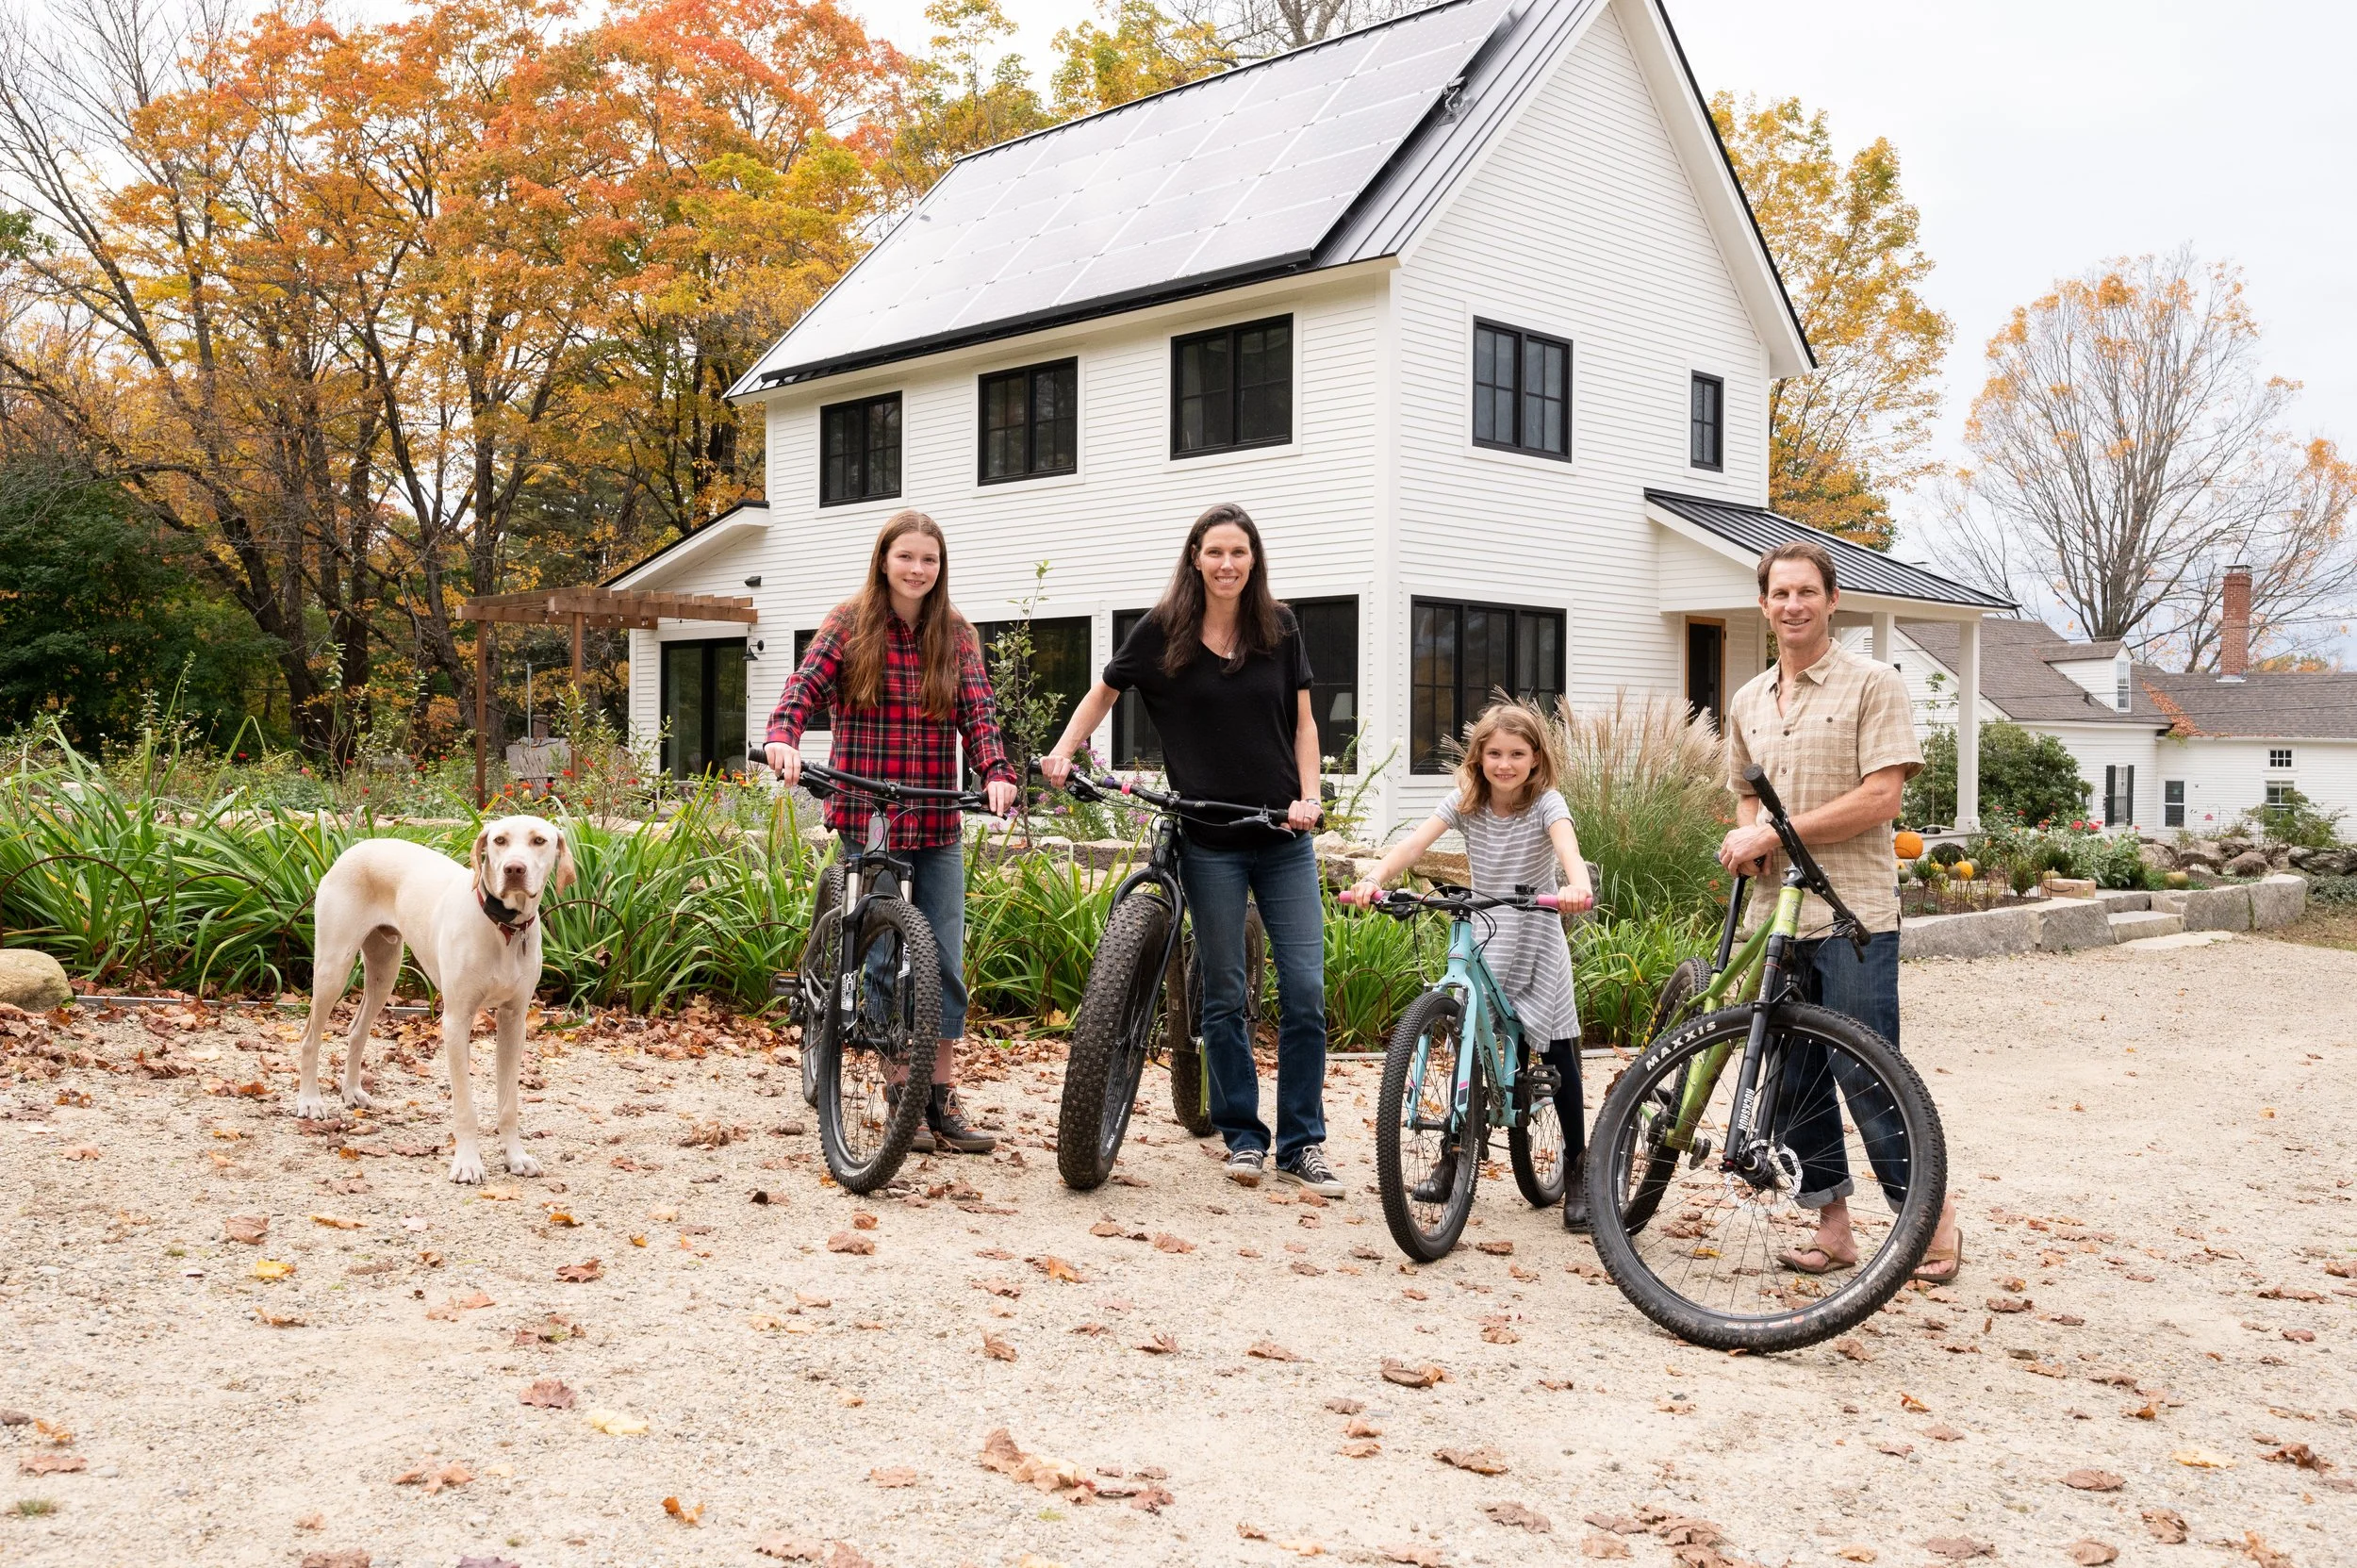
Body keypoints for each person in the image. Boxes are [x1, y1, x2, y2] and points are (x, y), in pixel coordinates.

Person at [1040, 503, 1338, 1196]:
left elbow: (1303, 724)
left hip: (1282, 835)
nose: (1227, 564)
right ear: (1195, 558)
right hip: (1209, 841)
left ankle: (1302, 1142)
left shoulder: (1281, 627)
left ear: (1253, 559)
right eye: (1215, 553)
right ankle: (1243, 1136)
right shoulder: (1163, 629)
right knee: (1224, 991)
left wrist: (1310, 795)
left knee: (1305, 990)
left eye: (1239, 552)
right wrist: (1063, 748)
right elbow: (1103, 691)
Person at [1717, 538, 1962, 1284]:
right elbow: (1746, 793)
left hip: (1853, 913)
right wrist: (1747, 833)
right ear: (1764, 605)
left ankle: (1932, 1221)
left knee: (1870, 1073)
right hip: (1777, 914)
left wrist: (1778, 832)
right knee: (1793, 1080)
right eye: (1780, 593)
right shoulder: (1749, 699)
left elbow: (1882, 797)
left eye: (1806, 593)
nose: (1793, 605)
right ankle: (1833, 1228)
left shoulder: (1872, 683)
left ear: (1831, 600)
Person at [763, 509, 1019, 1155]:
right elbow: (800, 693)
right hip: (870, 811)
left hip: (936, 815)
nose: (917, 569)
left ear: (940, 566)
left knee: (946, 956)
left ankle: (940, 1094)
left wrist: (995, 772)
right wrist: (782, 740)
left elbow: (980, 715)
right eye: (906, 557)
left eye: (929, 559)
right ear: (884, 560)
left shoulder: (956, 633)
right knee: (883, 956)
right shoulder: (849, 624)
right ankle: (899, 1086)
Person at [1344, 701, 1597, 1227]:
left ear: (1535, 759)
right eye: (1494, 753)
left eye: (1517, 754)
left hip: (1536, 928)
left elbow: (1567, 848)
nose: (1505, 764)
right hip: (1487, 928)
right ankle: (1453, 1157)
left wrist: (1578, 885)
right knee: (1467, 1040)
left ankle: (1578, 1167)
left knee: (1555, 1046)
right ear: (1479, 757)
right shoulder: (1465, 801)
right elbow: (1413, 844)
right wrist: (1377, 878)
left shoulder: (1547, 803)